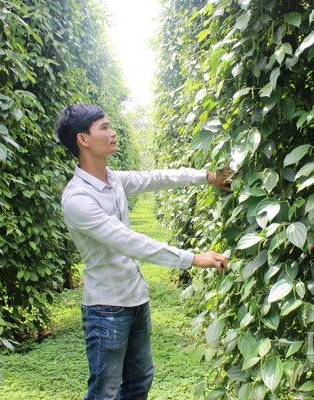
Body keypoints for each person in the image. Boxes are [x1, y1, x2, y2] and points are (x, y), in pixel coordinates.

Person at [55, 103, 231, 400]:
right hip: (106, 309)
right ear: (83, 140)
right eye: (104, 128)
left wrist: (207, 176)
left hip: (136, 299)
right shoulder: (77, 199)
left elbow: (157, 177)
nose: (113, 133)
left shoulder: (114, 180)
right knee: (105, 392)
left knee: (139, 383)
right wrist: (191, 258)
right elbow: (129, 241)